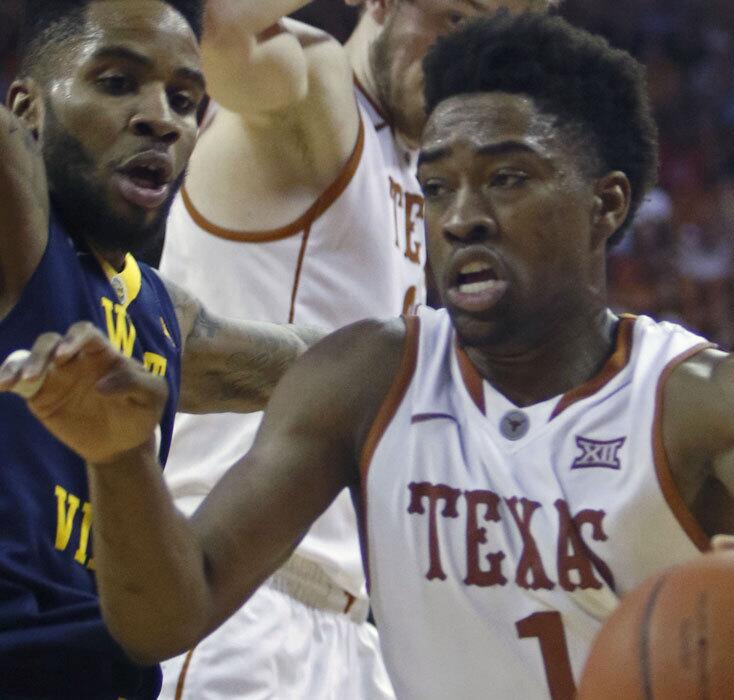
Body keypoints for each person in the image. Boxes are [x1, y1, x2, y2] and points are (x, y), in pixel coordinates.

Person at [2, 14, 734, 698]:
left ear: (606, 205)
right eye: (438, 185)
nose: (462, 216)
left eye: (507, 179)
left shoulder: (707, 398)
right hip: (270, 636)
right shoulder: (367, 376)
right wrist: (121, 456)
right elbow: (171, 611)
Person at [156, 0, 555, 696]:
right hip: (237, 595)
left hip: (349, 627)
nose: (465, 58)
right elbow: (215, 29)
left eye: (492, 39)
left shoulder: (414, 173)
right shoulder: (318, 87)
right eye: (455, 20)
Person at [0, 1, 327, 697]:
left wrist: (451, 349)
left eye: (185, 99)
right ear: (27, 107)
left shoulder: (160, 315)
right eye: (116, 82)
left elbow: (323, 364)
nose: (163, 118)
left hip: (87, 667)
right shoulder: (17, 226)